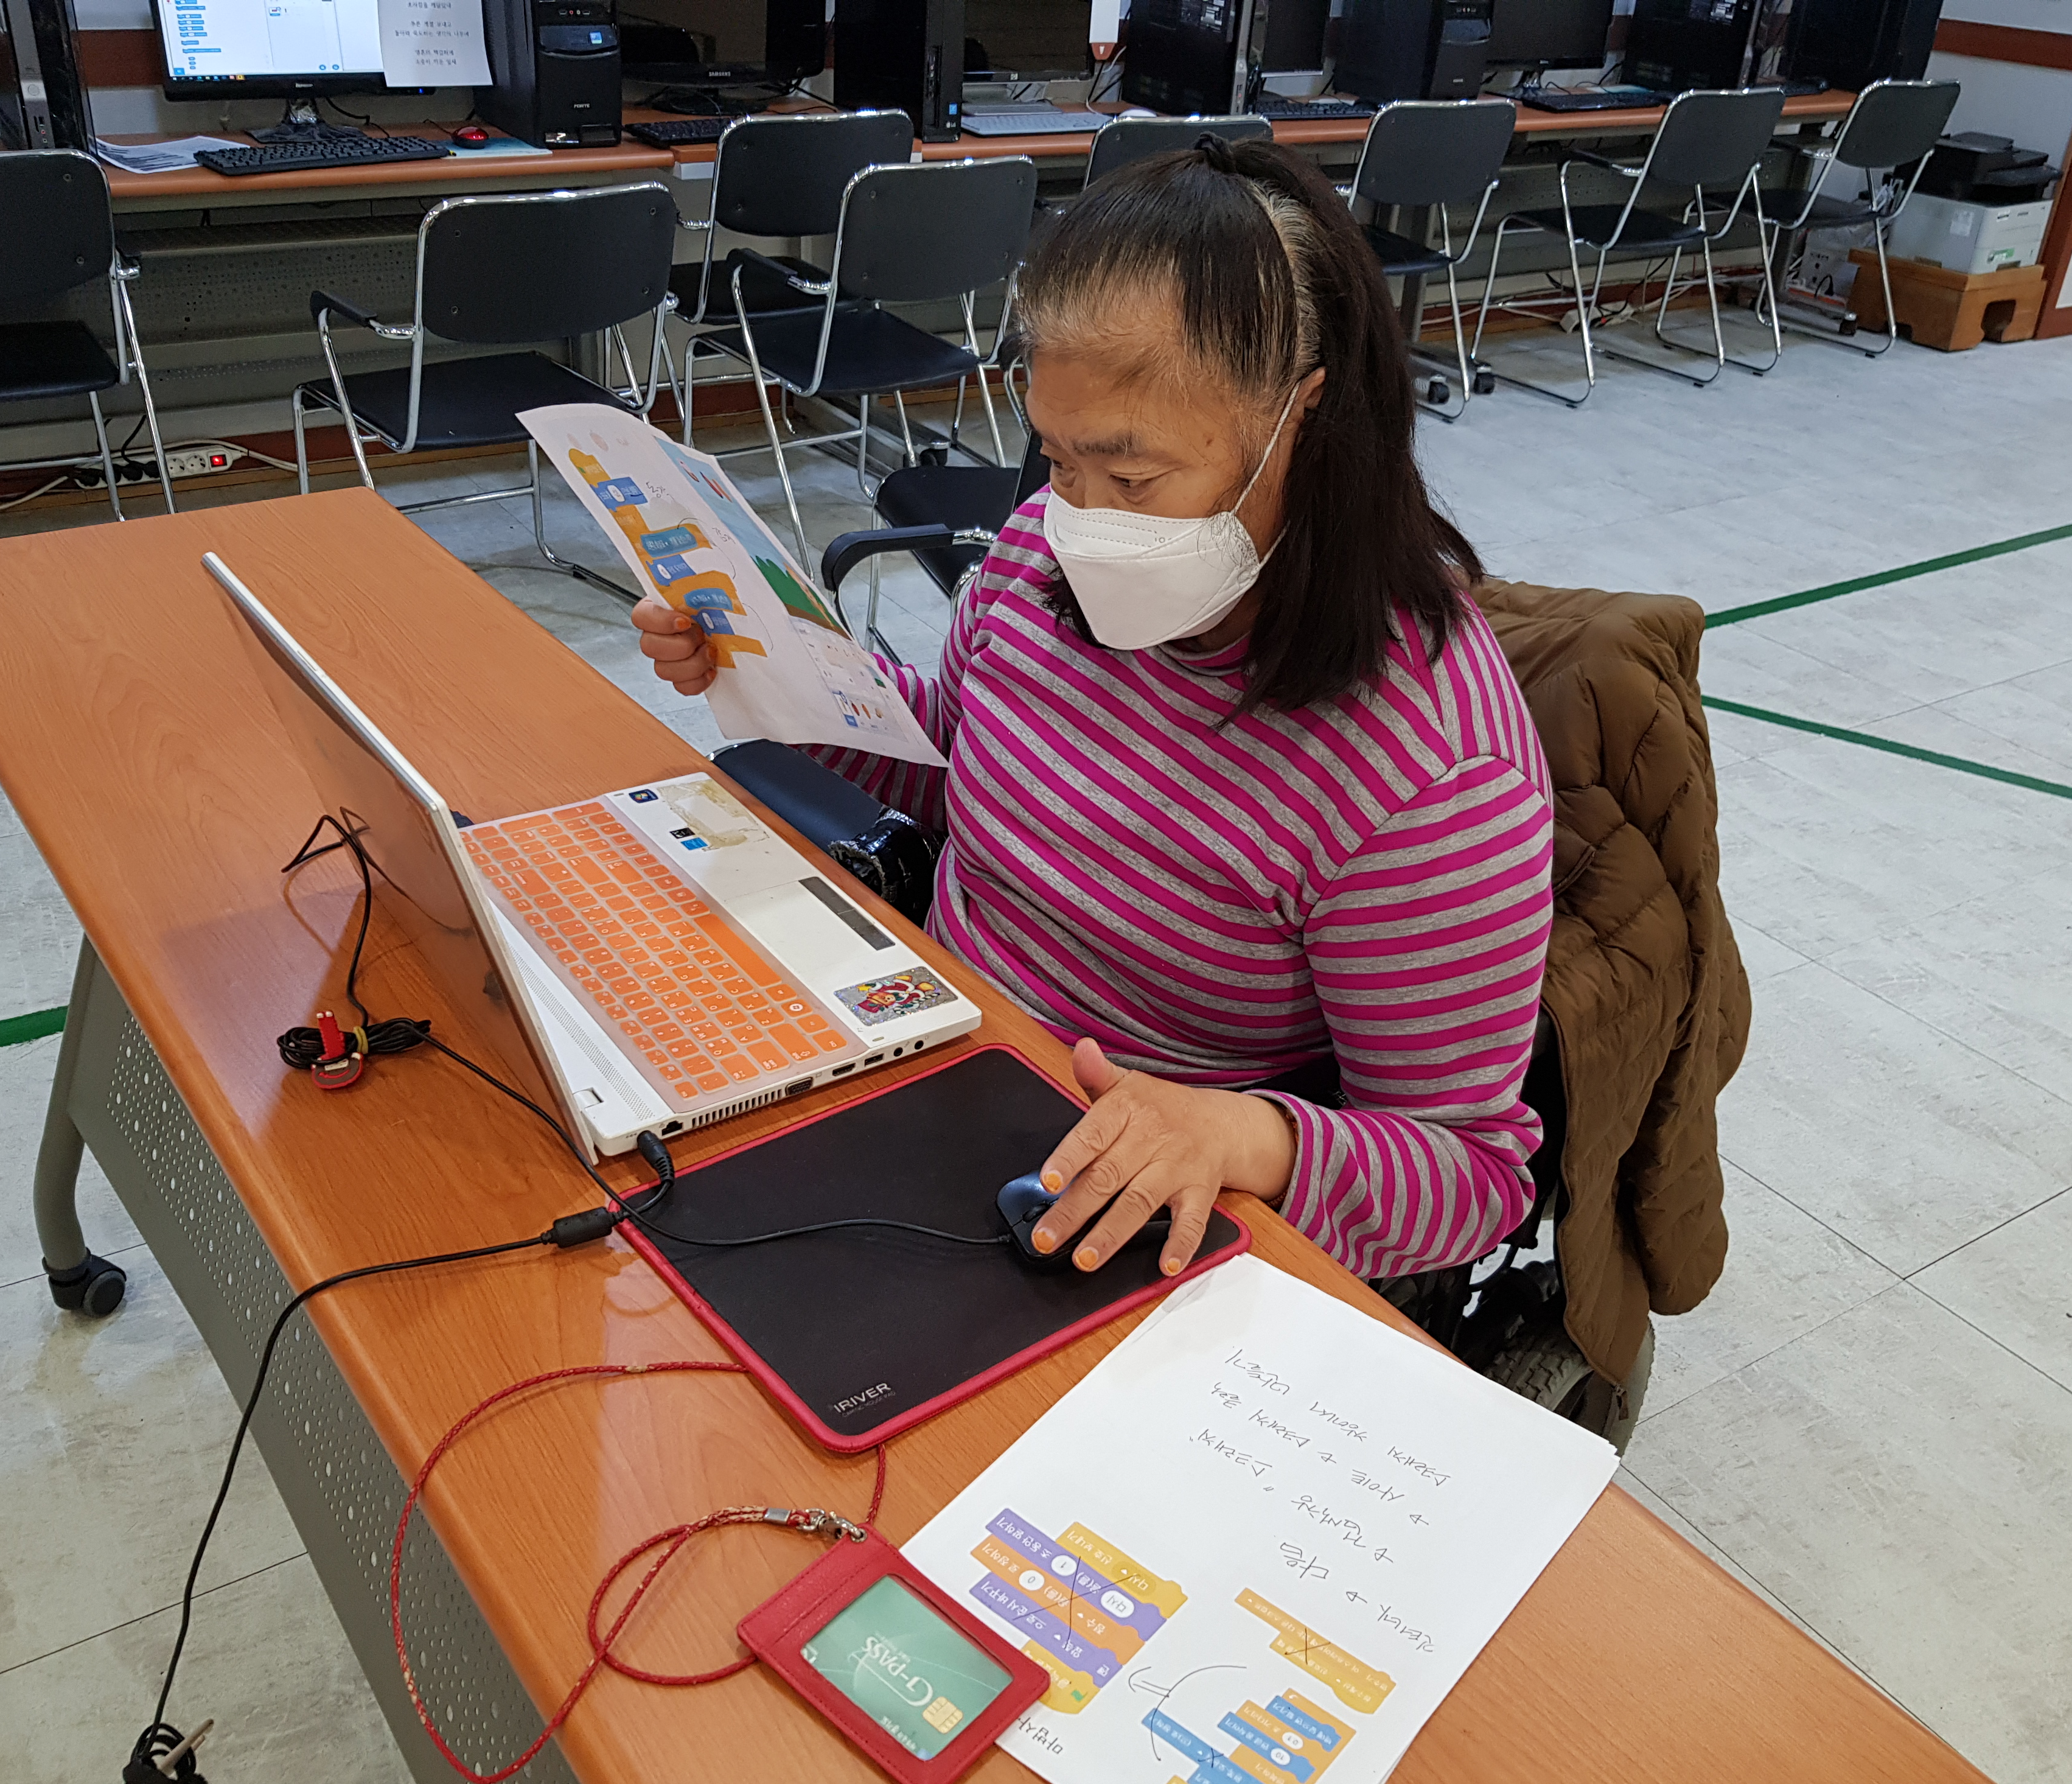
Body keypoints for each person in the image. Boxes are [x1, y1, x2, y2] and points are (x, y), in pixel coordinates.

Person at [632, 137, 1553, 1292]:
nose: (1077, 519)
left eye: (1131, 480)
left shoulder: (1430, 774)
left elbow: (1471, 1174)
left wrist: (1242, 1135)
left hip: (1115, 1189)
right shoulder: (1040, 552)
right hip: (930, 1046)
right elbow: (966, 764)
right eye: (1059, 461)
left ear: (1304, 423)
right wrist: (779, 674)